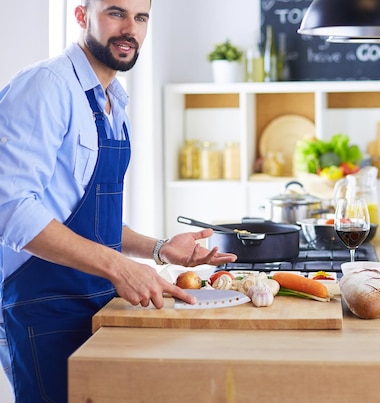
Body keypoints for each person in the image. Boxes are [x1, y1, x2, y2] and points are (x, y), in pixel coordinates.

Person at [0, 0, 237, 401]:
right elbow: (11, 210)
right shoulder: (46, 85)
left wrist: (159, 249)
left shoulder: (115, 103)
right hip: (43, 308)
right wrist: (120, 266)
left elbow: (83, 218)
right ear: (81, 16)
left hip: (100, 304)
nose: (130, 28)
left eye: (140, 18)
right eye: (116, 13)